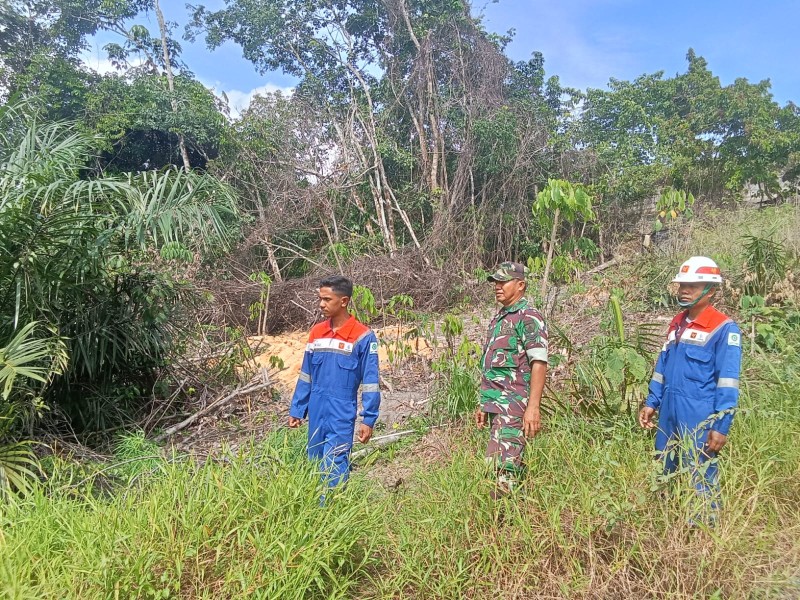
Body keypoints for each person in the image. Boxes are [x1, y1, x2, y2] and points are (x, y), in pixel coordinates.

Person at [639, 256, 742, 521]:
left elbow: (728, 381)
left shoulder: (723, 328)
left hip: (699, 414)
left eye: (693, 285)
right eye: (682, 284)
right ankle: (666, 523)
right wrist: (652, 402)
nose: (685, 290)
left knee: (700, 473)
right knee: (664, 468)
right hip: (669, 412)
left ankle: (702, 534)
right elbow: (662, 366)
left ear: (711, 290)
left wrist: (721, 426)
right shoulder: (677, 324)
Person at [289, 275, 381, 489]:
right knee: (314, 463)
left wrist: (368, 419)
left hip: (341, 411)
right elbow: (306, 375)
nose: (322, 304)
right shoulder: (317, 333)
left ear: (344, 301)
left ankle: (333, 509)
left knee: (335, 465)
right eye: (320, 299)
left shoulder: (363, 337)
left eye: (327, 299)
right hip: (316, 409)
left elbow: (370, 381)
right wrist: (297, 408)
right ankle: (314, 513)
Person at [476, 261, 548, 498]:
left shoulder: (528, 317)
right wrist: (484, 404)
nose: (497, 286)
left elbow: (539, 363)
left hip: (514, 407)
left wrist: (533, 408)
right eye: (495, 282)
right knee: (494, 467)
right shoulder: (500, 319)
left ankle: (504, 524)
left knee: (504, 471)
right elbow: (493, 368)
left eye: (503, 281)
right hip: (497, 407)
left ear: (520, 285)